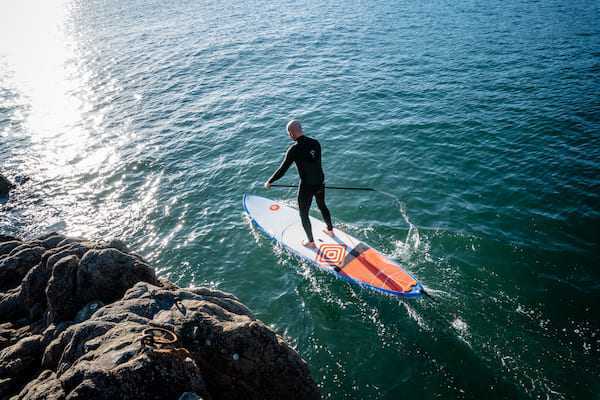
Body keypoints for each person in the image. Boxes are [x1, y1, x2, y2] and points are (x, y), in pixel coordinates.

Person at [265, 120, 334, 249]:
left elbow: (282, 170)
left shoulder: (294, 149)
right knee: (322, 205)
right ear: (301, 129)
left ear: (291, 134)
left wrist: (270, 181)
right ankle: (330, 230)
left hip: (307, 186)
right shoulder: (316, 143)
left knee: (303, 213)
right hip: (320, 182)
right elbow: (314, 162)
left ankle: (311, 242)